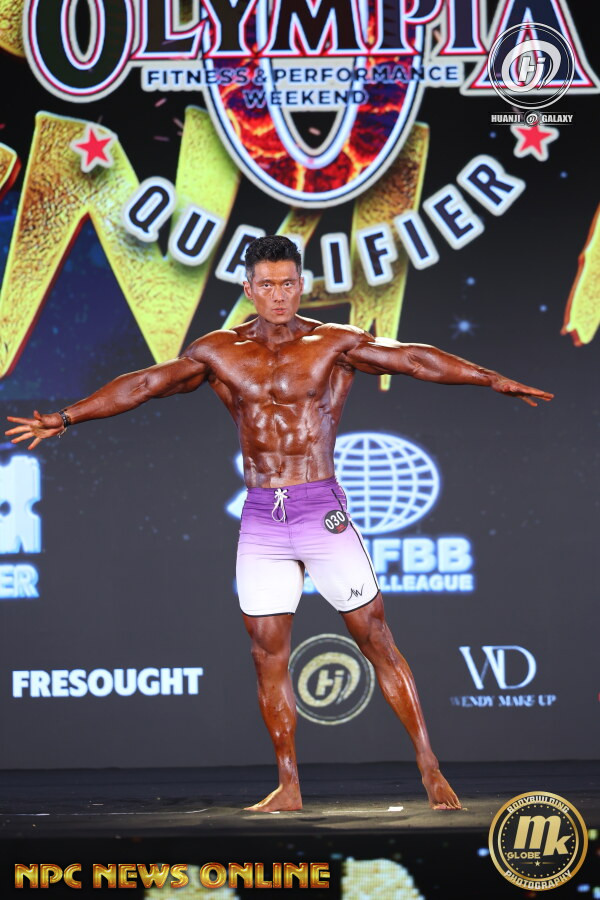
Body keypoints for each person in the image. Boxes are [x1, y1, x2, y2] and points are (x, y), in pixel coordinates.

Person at [6, 235, 553, 812]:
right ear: (249, 288)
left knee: (374, 637)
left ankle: (430, 768)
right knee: (266, 652)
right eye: (266, 284)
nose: (278, 294)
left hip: (320, 507)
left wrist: (491, 379)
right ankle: (288, 785)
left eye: (288, 283)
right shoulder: (219, 351)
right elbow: (145, 384)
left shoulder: (334, 343)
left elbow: (415, 359)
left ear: (301, 284)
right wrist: (67, 417)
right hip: (263, 515)